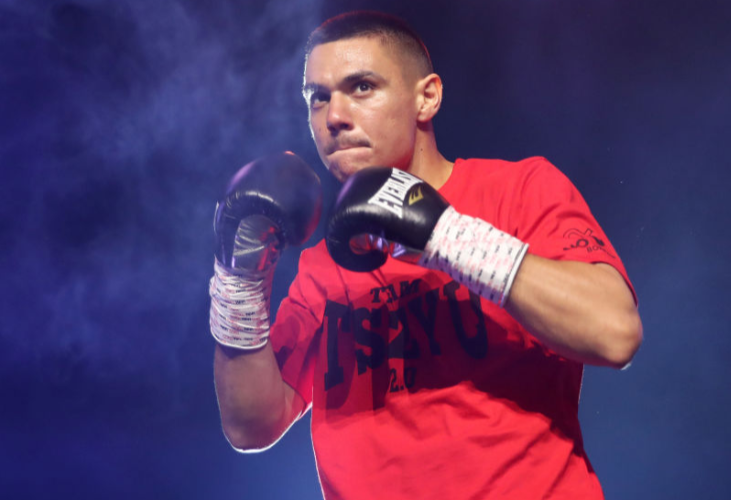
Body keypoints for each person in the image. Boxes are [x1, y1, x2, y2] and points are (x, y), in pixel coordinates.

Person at [209, 10, 643, 500]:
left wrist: (445, 235)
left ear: (427, 97)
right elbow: (250, 426)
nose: (334, 116)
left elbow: (615, 333)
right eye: (318, 97)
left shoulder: (519, 190)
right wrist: (239, 280)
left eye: (362, 87)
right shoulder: (320, 266)